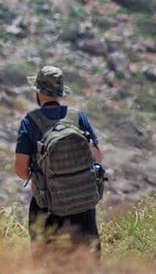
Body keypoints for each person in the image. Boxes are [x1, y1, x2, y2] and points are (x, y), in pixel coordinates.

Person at [13, 65, 103, 252]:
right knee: (88, 265)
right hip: (82, 205)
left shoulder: (30, 121)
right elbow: (97, 157)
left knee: (46, 267)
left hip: (48, 208)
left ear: (37, 91)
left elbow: (21, 170)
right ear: (60, 92)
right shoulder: (77, 116)